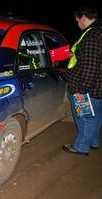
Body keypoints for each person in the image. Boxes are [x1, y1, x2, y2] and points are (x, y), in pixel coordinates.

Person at [62, 4, 102, 156]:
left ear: (84, 18)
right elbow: (94, 60)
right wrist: (76, 56)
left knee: (85, 117)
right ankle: (93, 141)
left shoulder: (91, 36)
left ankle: (81, 147)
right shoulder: (98, 33)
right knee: (96, 116)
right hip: (97, 87)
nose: (77, 24)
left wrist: (81, 90)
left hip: (86, 89)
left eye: (78, 20)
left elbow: (90, 66)